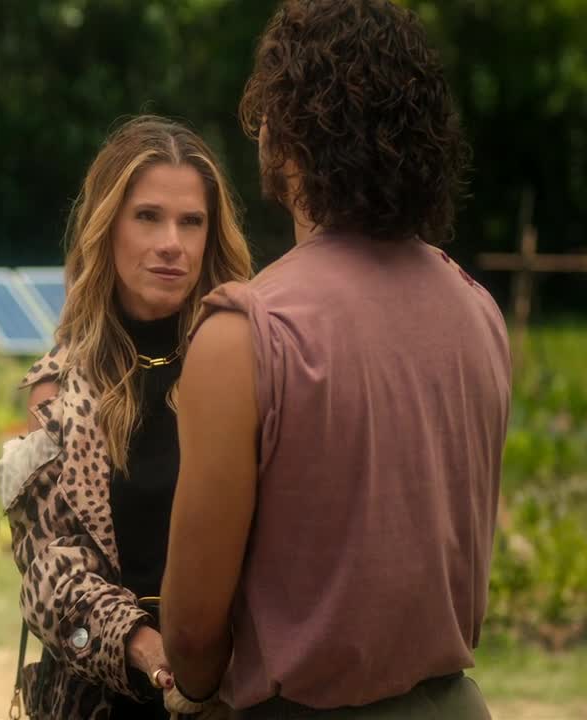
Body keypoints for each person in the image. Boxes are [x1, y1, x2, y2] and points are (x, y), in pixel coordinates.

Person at [160, 1, 511, 718]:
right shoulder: (478, 311)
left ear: (286, 139)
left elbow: (192, 631)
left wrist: (194, 697)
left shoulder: (244, 333)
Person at [0, 115, 252, 720]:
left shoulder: (249, 365)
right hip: (103, 698)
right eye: (148, 217)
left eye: (192, 222)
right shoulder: (60, 388)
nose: (172, 243)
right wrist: (149, 650)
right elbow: (49, 572)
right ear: (107, 226)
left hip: (237, 693)